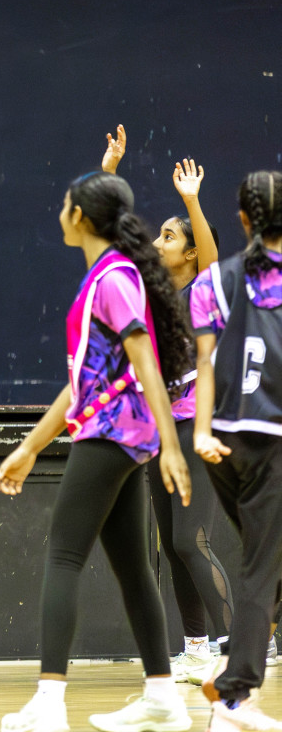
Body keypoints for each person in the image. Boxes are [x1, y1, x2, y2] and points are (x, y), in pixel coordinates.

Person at [0, 170, 193, 732]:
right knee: (133, 568)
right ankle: (163, 696)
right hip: (120, 435)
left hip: (113, 435)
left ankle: (50, 701)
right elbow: (80, 385)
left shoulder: (114, 279)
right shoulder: (106, 276)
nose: (60, 211)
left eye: (64, 203)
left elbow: (145, 358)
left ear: (79, 218)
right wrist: (30, 447)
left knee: (63, 556)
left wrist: (171, 443)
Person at [102, 126, 234, 681]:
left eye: (169, 236)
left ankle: (237, 646)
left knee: (190, 538)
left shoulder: (202, 289)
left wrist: (191, 203)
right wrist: (108, 173)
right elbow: (109, 238)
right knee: (171, 543)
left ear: (190, 250)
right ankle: (198, 646)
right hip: (158, 431)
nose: (158, 242)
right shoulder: (150, 289)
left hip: (197, 427)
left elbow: (210, 255)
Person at [192, 171, 282, 732]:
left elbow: (202, 364)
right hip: (272, 439)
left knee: (266, 554)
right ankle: (235, 693)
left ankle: (233, 671)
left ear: (243, 221)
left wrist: (201, 432)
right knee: (260, 564)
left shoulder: (212, 282)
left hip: (222, 440)